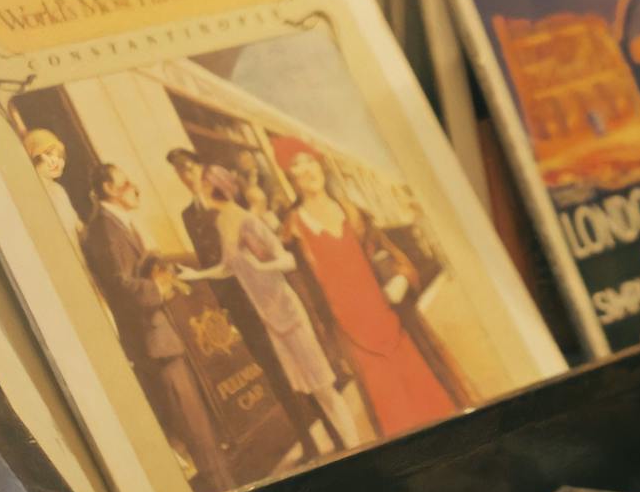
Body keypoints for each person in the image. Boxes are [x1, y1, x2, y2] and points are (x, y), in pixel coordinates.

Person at [181, 165, 364, 451]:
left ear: (212, 189)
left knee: (323, 388)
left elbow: (286, 260)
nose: (198, 192)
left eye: (202, 187)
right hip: (270, 318)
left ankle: (355, 446)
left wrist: (262, 265)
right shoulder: (222, 223)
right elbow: (228, 268)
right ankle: (349, 447)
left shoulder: (247, 221)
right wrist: (196, 275)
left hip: (287, 312)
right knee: (310, 389)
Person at [79, 161, 231, 492]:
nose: (135, 187)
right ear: (108, 189)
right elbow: (120, 285)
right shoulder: (105, 229)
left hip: (162, 337)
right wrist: (159, 288)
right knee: (195, 430)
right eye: (127, 182)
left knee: (199, 428)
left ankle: (224, 489)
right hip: (153, 342)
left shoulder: (119, 224)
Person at [283, 149, 457, 437]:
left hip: (388, 314)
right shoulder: (292, 229)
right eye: (296, 165)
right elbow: (301, 289)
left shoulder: (351, 211)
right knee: (388, 406)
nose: (306, 170)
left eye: (310, 161)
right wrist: (325, 339)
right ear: (290, 177)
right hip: (349, 328)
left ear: (321, 167)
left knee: (427, 394)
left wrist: (401, 277)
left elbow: (388, 252)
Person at [167, 148, 318, 450]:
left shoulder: (226, 201)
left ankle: (326, 422)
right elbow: (213, 261)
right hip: (236, 301)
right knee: (272, 367)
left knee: (294, 357)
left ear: (201, 167)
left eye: (189, 168)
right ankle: (307, 438)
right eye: (180, 172)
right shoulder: (188, 215)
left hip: (263, 292)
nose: (187, 176)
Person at [24, 128, 84, 246]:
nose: (55, 161)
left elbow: (78, 227)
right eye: (48, 154)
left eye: (59, 155)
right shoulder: (32, 192)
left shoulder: (58, 190)